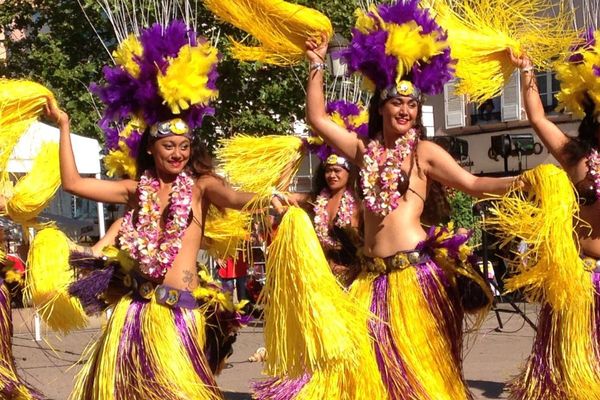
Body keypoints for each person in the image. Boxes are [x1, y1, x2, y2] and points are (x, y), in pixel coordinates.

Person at [46, 20, 285, 400]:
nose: (177, 153)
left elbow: (238, 197)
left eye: (184, 146)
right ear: (152, 150)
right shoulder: (134, 190)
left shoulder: (201, 187)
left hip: (180, 318)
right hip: (136, 313)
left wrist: (270, 197)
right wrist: (63, 126)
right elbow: (74, 184)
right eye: (168, 146)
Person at [297, 4, 519, 399]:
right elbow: (317, 118)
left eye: (412, 104)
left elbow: (472, 182)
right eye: (397, 103)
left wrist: (522, 179)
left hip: (414, 278)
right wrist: (316, 62)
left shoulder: (424, 153)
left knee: (420, 380)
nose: (405, 109)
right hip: (369, 280)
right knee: (370, 380)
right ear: (381, 106)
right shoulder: (362, 150)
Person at [506, 37, 600, 400]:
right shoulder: (576, 159)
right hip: (580, 280)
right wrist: (528, 69)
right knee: (572, 376)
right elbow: (538, 117)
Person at [292, 154, 362, 287]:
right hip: (324, 276)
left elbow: (362, 244)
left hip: (354, 279)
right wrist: (298, 152)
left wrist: (353, 269)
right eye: (328, 171)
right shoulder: (316, 200)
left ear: (349, 173)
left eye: (337, 170)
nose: (332, 175)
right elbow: (288, 197)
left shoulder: (358, 205)